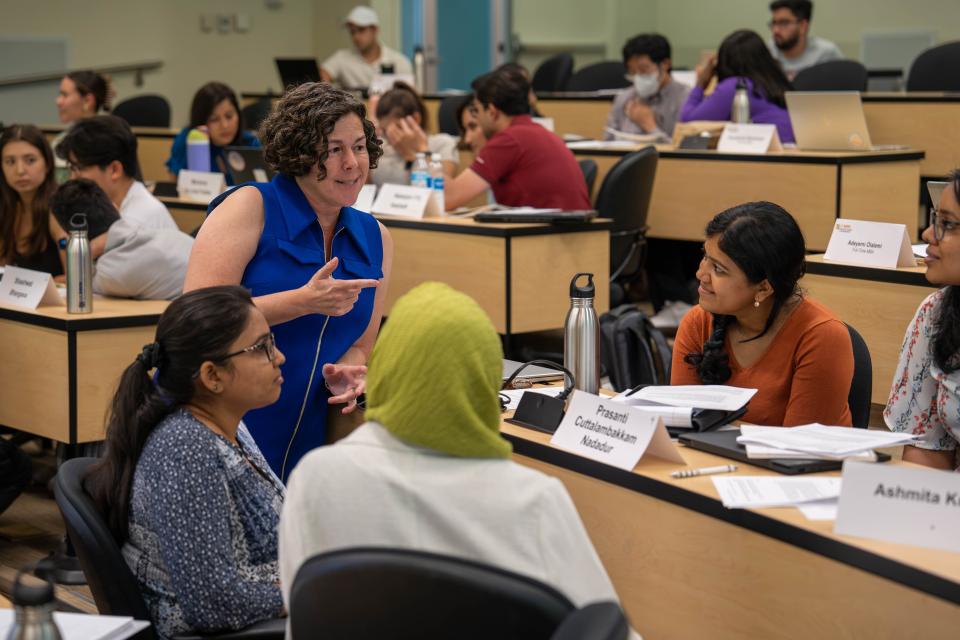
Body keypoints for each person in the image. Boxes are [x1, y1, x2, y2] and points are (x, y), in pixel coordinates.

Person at [279, 282, 638, 638]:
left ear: (385, 369)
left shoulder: (315, 478)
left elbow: (301, 610)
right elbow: (605, 628)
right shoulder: (534, 500)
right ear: (483, 385)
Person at [184, 82, 393, 481]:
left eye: (360, 147)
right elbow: (195, 319)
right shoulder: (249, 205)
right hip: (219, 422)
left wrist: (348, 369)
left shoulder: (377, 237)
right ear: (298, 152)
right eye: (334, 150)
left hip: (311, 437)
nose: (352, 163)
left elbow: (362, 344)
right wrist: (303, 301)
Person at [85, 286, 286, 639]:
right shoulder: (186, 450)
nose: (279, 357)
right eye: (263, 348)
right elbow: (213, 603)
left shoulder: (229, 426)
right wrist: (305, 592)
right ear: (212, 376)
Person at [671, 201, 853, 427]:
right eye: (705, 256)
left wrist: (713, 425)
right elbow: (682, 423)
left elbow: (800, 449)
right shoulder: (698, 321)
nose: (701, 273)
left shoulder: (822, 336)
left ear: (764, 288)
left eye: (719, 269)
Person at [886, 172, 960, 470]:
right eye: (935, 220)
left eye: (947, 224)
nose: (929, 234)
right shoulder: (937, 312)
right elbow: (927, 451)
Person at [444, 67, 591, 211]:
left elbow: (449, 199)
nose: (477, 117)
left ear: (492, 112)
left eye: (477, 110)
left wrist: (424, 151)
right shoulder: (535, 133)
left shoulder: (508, 140)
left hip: (551, 233)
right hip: (571, 231)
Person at [50, 179, 192, 299]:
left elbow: (79, 286)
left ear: (72, 235)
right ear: (115, 207)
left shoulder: (110, 273)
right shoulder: (161, 234)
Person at [56, 115, 177, 230]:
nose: (72, 178)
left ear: (115, 170)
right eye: (71, 168)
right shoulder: (115, 208)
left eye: (79, 168)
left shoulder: (135, 223)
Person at [680, 30, 795, 144]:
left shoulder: (736, 87)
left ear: (724, 63)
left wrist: (700, 84)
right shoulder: (774, 82)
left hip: (766, 154)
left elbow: (689, 124)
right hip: (794, 151)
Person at [0, 125, 66, 276]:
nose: (20, 170)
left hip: (58, 299)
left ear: (48, 163)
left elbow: (75, 278)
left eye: (30, 160)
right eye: (10, 162)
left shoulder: (60, 206)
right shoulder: (6, 208)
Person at [165, 82, 259, 185]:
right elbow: (175, 186)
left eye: (229, 116)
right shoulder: (187, 141)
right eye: (214, 119)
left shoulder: (251, 143)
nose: (224, 125)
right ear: (201, 121)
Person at [604, 34, 690, 141]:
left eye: (643, 70)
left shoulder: (685, 99)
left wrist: (650, 126)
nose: (638, 77)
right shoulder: (624, 97)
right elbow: (607, 142)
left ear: (665, 64)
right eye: (632, 72)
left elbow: (682, 151)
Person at [370, 82, 457, 187]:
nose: (391, 137)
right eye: (384, 130)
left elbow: (442, 191)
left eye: (398, 127)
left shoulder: (442, 144)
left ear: (415, 119)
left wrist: (418, 153)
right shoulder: (381, 147)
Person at [320, 6, 413, 90]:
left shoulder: (399, 61)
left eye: (361, 30)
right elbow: (322, 76)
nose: (356, 37)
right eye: (352, 32)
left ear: (375, 30)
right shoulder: (341, 58)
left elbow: (409, 96)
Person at [54, 71, 113, 181]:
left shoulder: (111, 142)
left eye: (64, 95)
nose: (58, 101)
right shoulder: (60, 140)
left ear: (87, 101)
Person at [767, 0, 842, 80]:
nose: (776, 30)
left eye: (783, 23)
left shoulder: (826, 54)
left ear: (803, 26)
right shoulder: (769, 51)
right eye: (774, 23)